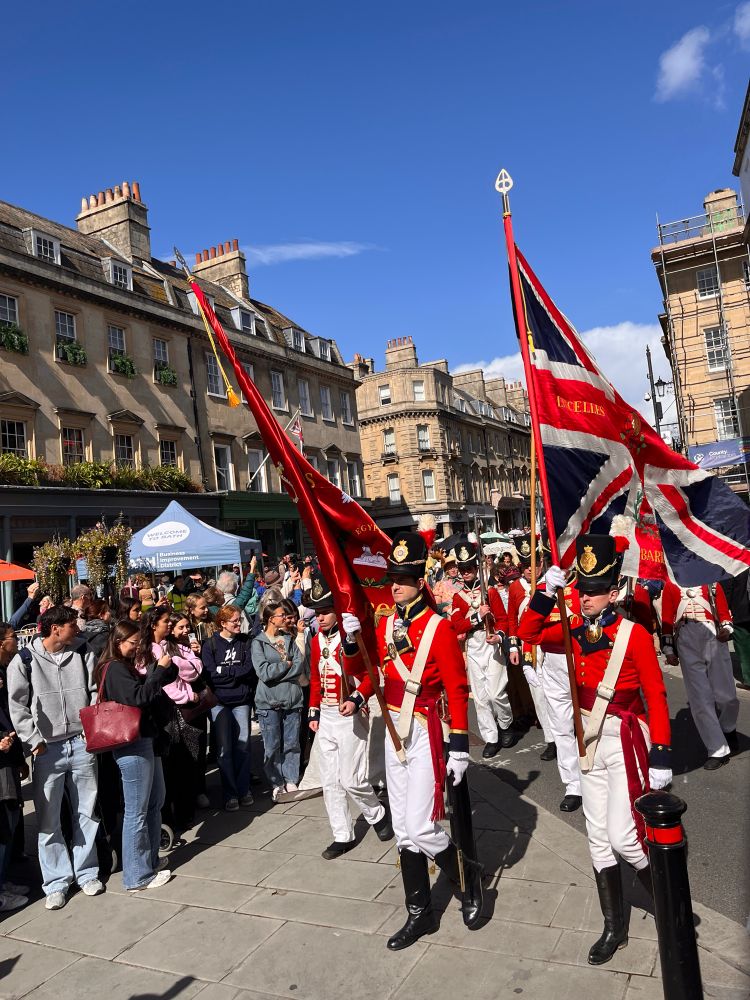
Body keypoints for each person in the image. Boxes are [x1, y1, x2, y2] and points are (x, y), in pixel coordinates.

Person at [518, 533, 672, 966]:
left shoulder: (634, 634)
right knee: (599, 840)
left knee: (625, 836)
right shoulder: (568, 627)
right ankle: (614, 926)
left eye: (592, 590)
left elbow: (656, 696)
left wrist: (660, 752)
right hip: (587, 738)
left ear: (612, 590)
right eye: (580, 589)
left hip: (623, 734)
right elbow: (527, 631)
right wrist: (546, 593)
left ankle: (667, 898)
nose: (584, 598)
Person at [362, 532, 482, 950]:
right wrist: (349, 648)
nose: (393, 585)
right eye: (391, 578)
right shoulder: (385, 624)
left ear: (419, 580)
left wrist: (461, 743)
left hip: (425, 729)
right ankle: (420, 914)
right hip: (393, 730)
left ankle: (469, 879)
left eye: (401, 578)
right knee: (403, 831)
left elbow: (457, 685)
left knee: (421, 826)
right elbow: (375, 673)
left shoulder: (440, 628)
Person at [7, 605, 103, 910]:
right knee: (49, 819)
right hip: (48, 749)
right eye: (71, 625)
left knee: (87, 812)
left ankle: (87, 872)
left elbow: (94, 691)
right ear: (54, 628)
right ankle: (57, 882)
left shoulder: (82, 651)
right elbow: (17, 705)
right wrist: (34, 741)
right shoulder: (24, 660)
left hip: (80, 741)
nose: (77, 628)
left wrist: (91, 729)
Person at [304, 574, 393, 858]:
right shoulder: (316, 640)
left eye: (326, 612)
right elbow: (317, 678)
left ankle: (376, 813)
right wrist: (314, 710)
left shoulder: (351, 637)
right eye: (317, 613)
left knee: (351, 779)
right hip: (327, 717)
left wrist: (357, 699)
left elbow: (371, 674)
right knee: (330, 780)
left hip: (348, 716)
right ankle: (342, 834)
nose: (320, 619)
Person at [96, 620, 177, 892]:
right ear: (118, 642)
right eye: (132, 643)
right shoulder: (115, 668)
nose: (136, 647)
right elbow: (139, 697)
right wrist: (158, 673)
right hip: (131, 744)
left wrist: (161, 669)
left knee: (154, 803)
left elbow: (150, 687)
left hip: (144, 740)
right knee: (137, 811)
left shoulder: (125, 666)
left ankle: (149, 860)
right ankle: (136, 876)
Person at [511, 535, 583, 812]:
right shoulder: (543, 588)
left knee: (589, 726)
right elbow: (527, 629)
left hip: (583, 660)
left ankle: (595, 776)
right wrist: (528, 661)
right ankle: (573, 784)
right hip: (553, 662)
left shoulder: (587, 587)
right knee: (562, 728)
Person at [661, 579, 739, 769]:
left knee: (727, 696)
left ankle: (728, 728)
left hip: (712, 635)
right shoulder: (670, 585)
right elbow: (666, 618)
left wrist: (727, 629)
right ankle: (717, 749)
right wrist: (669, 649)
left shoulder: (712, 583)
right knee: (700, 699)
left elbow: (724, 614)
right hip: (686, 637)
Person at [450, 536, 513, 758]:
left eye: (469, 568)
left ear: (476, 568)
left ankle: (505, 725)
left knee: (496, 694)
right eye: (462, 568)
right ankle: (491, 737)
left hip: (491, 645)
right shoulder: (458, 598)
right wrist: (477, 615)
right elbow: (456, 625)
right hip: (474, 647)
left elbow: (504, 620)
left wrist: (500, 636)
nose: (466, 572)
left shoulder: (491, 592)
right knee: (481, 698)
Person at [251, 596, 306, 801]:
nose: (285, 618)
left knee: (292, 742)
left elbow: (298, 666)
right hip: (269, 701)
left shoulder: (289, 639)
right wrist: (286, 665)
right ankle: (276, 781)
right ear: (270, 619)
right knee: (272, 745)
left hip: (292, 697)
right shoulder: (259, 643)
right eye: (281, 615)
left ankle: (291, 778)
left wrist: (285, 669)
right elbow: (263, 672)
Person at [202, 606, 256, 810]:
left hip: (241, 700)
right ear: (222, 623)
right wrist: (233, 673)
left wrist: (224, 671)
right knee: (224, 750)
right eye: (234, 620)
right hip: (220, 702)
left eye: (239, 619)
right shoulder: (210, 645)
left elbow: (248, 669)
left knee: (242, 746)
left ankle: (244, 789)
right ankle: (230, 793)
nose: (238, 623)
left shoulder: (245, 642)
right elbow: (209, 673)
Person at [0, 622, 29, 912]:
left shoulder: (5, 671)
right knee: (4, 825)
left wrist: (19, 758)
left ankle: (4, 880)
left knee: (10, 822)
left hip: (10, 757)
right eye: (12, 638)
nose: (17, 642)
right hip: (1, 760)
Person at [722, 569, 750, 689]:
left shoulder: (736, 563)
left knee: (744, 647)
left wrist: (725, 607)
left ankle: (748, 679)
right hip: (743, 609)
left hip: (742, 611)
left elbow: (727, 588)